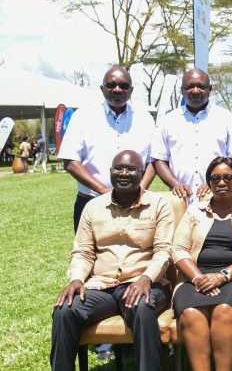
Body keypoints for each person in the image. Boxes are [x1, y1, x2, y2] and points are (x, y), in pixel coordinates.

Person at [50, 150, 174, 371]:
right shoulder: (93, 207)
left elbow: (164, 250)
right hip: (102, 286)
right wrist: (77, 280)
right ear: (110, 172)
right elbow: (83, 252)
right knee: (64, 310)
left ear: (142, 172)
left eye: (130, 169)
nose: (123, 173)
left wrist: (146, 278)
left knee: (142, 307)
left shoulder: (158, 204)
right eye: (118, 168)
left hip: (145, 283)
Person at [171, 157, 232, 371]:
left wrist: (222, 276)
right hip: (195, 277)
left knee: (224, 310)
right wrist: (198, 277)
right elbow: (178, 249)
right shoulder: (194, 211)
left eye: (228, 177)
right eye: (215, 178)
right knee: (192, 313)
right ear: (209, 182)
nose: (222, 182)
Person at [58, 66, 156, 232]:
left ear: (131, 90)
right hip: (92, 203)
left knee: (137, 256)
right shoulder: (83, 116)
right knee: (88, 256)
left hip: (135, 205)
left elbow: (153, 161)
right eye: (111, 85)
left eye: (124, 86)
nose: (117, 89)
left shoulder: (144, 118)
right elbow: (70, 162)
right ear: (102, 88)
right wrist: (104, 191)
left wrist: (140, 190)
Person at [151, 69, 232, 204]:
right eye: (189, 87)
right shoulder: (167, 121)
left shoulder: (226, 118)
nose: (195, 91)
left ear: (210, 89)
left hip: (218, 199)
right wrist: (175, 184)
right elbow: (159, 159)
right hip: (180, 199)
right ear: (182, 90)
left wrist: (216, 182)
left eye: (201, 86)